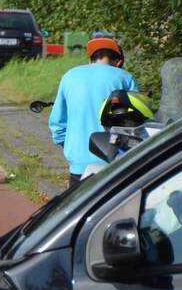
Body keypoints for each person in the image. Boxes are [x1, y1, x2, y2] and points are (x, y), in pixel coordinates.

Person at [49, 37, 139, 187]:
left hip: (79, 163)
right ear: (118, 62)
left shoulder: (69, 76)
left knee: (78, 208)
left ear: (91, 60)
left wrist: (73, 146)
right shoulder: (125, 78)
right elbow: (136, 122)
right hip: (114, 161)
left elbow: (58, 124)